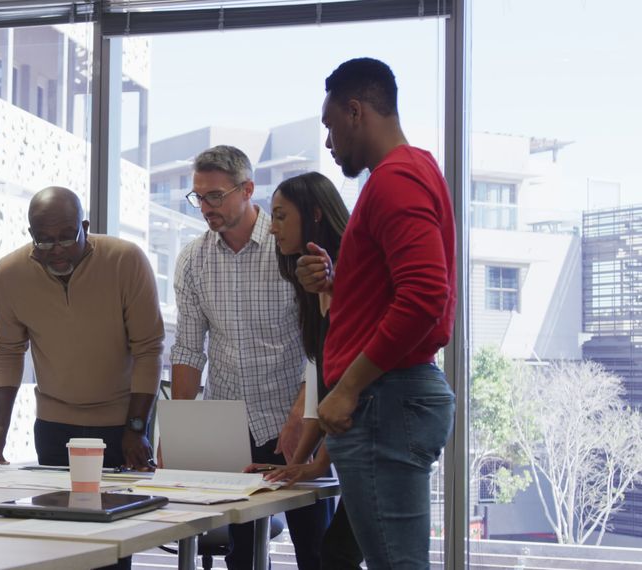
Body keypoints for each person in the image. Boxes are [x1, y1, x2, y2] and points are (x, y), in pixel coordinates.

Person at [296, 57, 457, 569]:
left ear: (355, 111)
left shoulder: (395, 180)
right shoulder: (414, 170)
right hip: (390, 398)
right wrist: (338, 284)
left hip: (383, 400)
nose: (329, 142)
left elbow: (425, 296)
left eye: (330, 126)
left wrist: (347, 388)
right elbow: (402, 289)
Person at [169, 146, 330, 570]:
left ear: (247, 190)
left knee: (316, 551)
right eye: (199, 196)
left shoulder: (288, 247)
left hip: (294, 423)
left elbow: (321, 342)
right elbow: (188, 349)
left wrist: (303, 411)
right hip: (230, 427)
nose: (206, 207)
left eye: (215, 196)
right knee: (240, 556)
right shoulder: (193, 260)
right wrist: (179, 429)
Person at [0, 186, 163, 470]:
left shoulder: (125, 261)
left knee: (124, 499)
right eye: (44, 240)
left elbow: (148, 350)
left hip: (123, 425)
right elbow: (8, 352)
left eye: (67, 237)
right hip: (53, 426)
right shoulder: (10, 274)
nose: (57, 250)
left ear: (84, 228)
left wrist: (137, 428)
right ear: (32, 234)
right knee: (55, 500)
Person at [245, 172, 363, 569]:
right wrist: (300, 462)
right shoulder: (313, 287)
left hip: (378, 437)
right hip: (353, 443)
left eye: (281, 216)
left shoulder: (351, 275)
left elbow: (349, 391)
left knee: (341, 555)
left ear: (314, 214)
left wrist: (316, 462)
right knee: (337, 555)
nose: (272, 227)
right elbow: (324, 386)